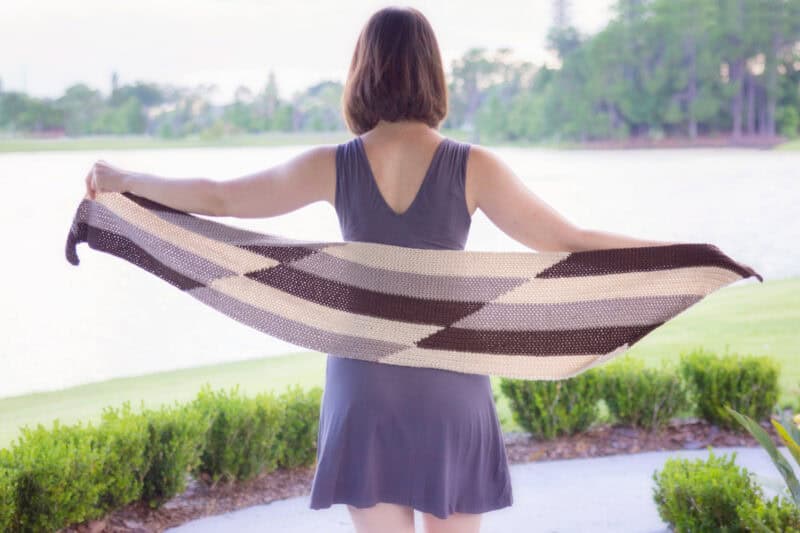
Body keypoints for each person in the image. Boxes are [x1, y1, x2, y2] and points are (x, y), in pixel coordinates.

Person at [84, 6, 676, 533]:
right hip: (450, 380)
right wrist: (681, 256)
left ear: (362, 72)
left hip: (363, 384)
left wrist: (123, 180)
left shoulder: (332, 164)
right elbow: (570, 241)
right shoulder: (475, 167)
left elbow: (217, 198)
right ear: (432, 73)